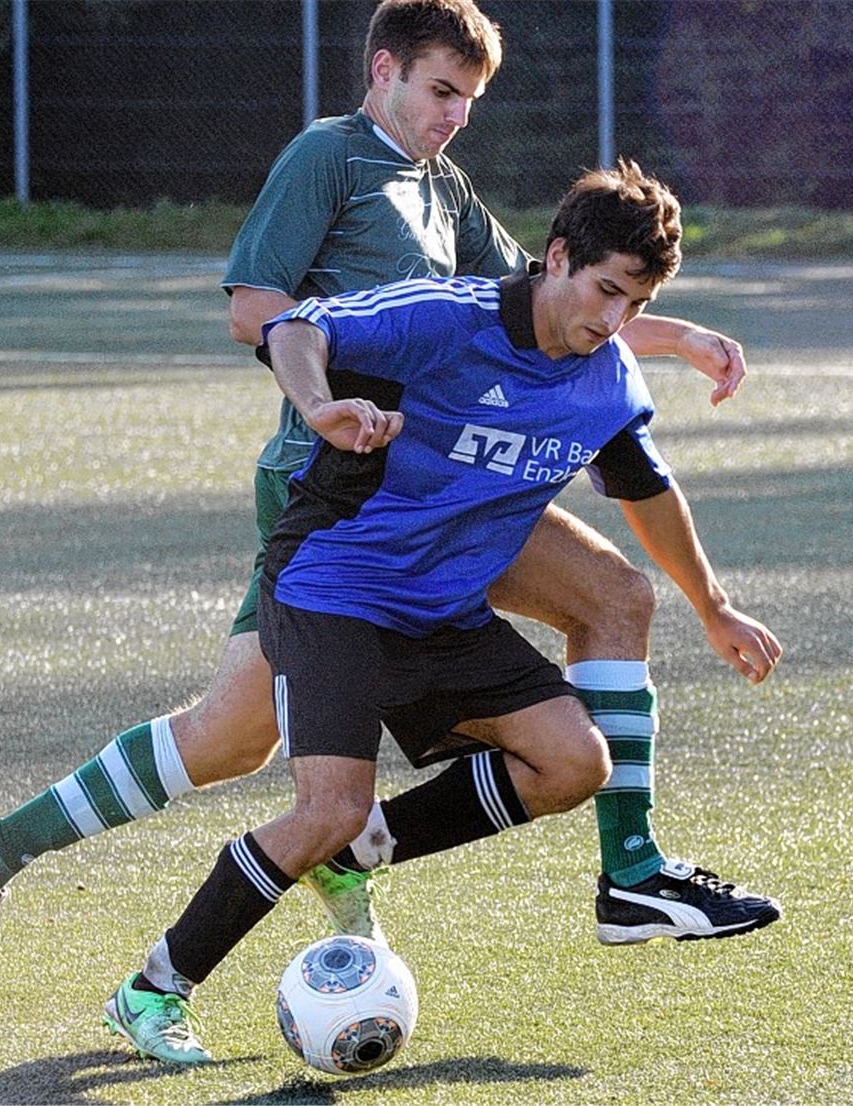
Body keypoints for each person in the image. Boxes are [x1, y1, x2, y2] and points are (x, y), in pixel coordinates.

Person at [0, 0, 769, 998]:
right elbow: (256, 310)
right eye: (440, 90)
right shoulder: (331, 155)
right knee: (233, 736)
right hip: (338, 486)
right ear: (383, 71)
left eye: (470, 99)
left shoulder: (444, 187)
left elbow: (546, 301)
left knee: (615, 596)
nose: (455, 115)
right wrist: (331, 393)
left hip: (442, 477)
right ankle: (3, 848)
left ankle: (627, 870)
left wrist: (676, 337)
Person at [101, 158, 782, 1066]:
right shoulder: (446, 317)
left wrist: (716, 607)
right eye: (606, 291)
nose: (614, 319)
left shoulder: (609, 381)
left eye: (636, 303)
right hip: (334, 589)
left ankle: (358, 853)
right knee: (326, 808)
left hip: (443, 612)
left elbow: (647, 495)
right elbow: (295, 326)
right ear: (557, 257)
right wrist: (321, 405)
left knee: (575, 762)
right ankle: (153, 990)